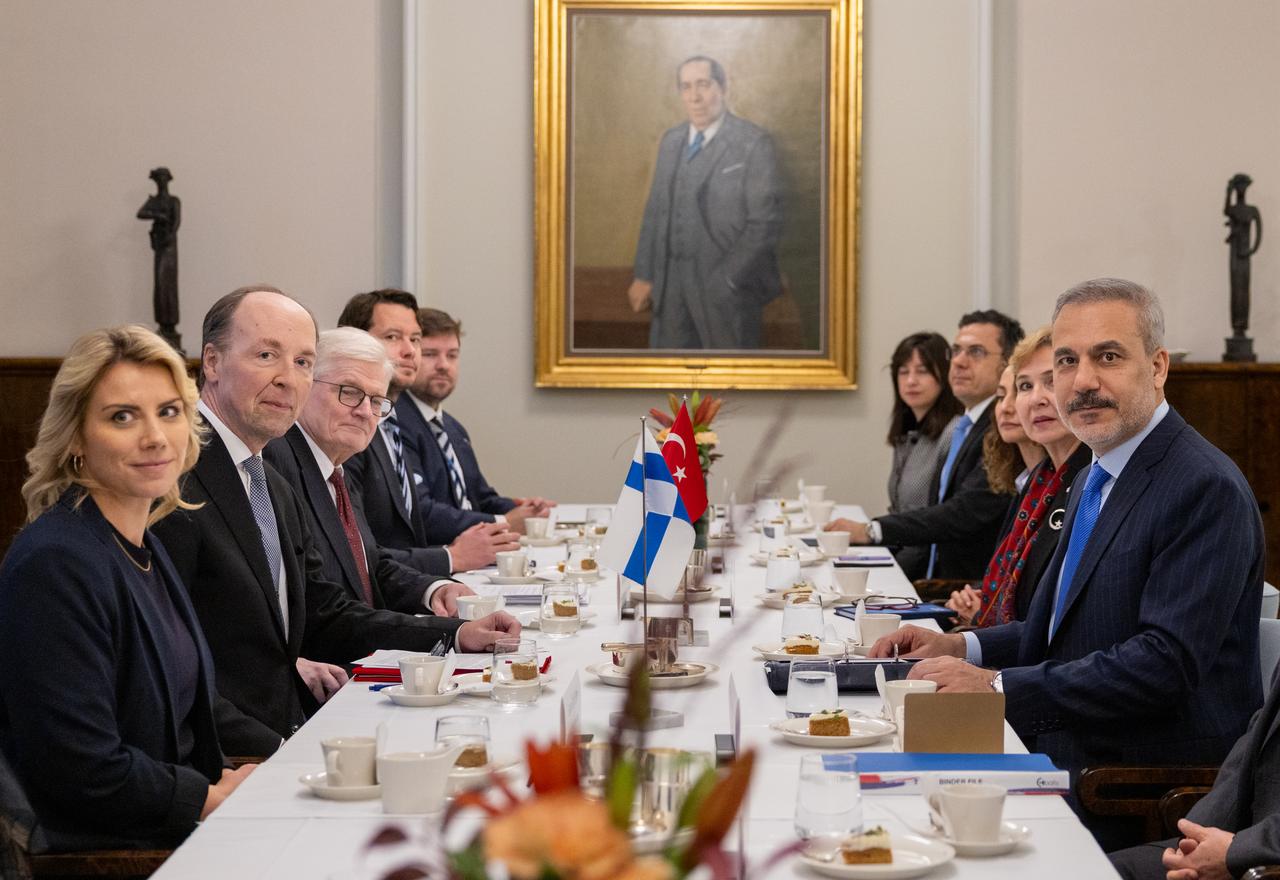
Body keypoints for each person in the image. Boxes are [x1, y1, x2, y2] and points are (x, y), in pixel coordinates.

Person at [869, 280, 1263, 844]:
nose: (1082, 382)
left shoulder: (1201, 485)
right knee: (876, 804)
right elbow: (1061, 630)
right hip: (1062, 744)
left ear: (1157, 367)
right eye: (1067, 361)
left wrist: (996, 685)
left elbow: (1163, 665)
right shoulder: (1094, 477)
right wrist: (961, 647)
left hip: (1135, 785)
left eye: (1109, 357)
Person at [152, 286, 521, 757]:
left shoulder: (266, 479)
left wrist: (456, 634)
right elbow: (171, 659)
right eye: (266, 355)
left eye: (302, 362)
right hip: (224, 753)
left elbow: (324, 611)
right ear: (212, 362)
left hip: (287, 724)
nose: (287, 379)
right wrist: (281, 752)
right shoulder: (173, 474)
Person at [0, 325, 253, 848]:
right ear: (75, 437)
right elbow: (80, 768)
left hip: (173, 828)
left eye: (168, 411)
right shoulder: (56, 563)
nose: (155, 437)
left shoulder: (141, 543)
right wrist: (210, 799)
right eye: (122, 417)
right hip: (109, 853)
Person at [263, 327, 475, 616]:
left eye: (376, 401)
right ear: (306, 385)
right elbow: (324, 608)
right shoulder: (277, 462)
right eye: (350, 393)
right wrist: (452, 633)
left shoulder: (336, 468)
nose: (365, 411)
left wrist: (434, 590)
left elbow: (368, 564)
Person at [828, 310, 1023, 581]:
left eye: (976, 352)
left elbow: (963, 513)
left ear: (1007, 363)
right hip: (936, 580)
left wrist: (873, 531)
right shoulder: (966, 427)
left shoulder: (1003, 429)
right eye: (956, 351)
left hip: (964, 590)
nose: (959, 362)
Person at [338, 290, 525, 570]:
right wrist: (452, 557)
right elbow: (361, 557)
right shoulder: (351, 430)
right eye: (392, 337)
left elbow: (475, 496)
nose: (409, 351)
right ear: (354, 341)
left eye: (415, 339)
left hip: (414, 577)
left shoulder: (392, 427)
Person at [626, 55, 783, 349]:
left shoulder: (753, 142)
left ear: (723, 88)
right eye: (686, 87)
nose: (694, 97)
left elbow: (764, 224)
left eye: (703, 85)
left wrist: (727, 280)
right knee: (673, 374)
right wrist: (644, 275)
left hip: (727, 289)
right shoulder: (671, 141)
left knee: (727, 374)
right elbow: (655, 211)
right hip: (670, 288)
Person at [947, 328, 1090, 627]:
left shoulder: (1093, 481)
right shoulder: (1042, 478)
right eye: (1025, 385)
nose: (1035, 399)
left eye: (1051, 382)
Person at [395, 307, 553, 541]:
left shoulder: (453, 428)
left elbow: (480, 498)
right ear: (411, 356)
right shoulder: (396, 422)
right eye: (430, 354)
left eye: (452, 355)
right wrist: (503, 522)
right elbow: (421, 512)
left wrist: (523, 510)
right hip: (437, 556)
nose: (443, 365)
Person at [1110, 664, 1280, 879]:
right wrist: (1199, 841)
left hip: (1262, 860)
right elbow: (1261, 740)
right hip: (1246, 841)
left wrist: (1235, 851)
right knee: (1099, 869)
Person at [878, 332, 963, 576]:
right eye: (903, 372)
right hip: (901, 551)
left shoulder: (953, 432)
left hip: (927, 567)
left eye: (922, 371)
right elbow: (899, 511)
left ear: (944, 375)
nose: (911, 381)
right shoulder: (907, 434)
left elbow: (939, 522)